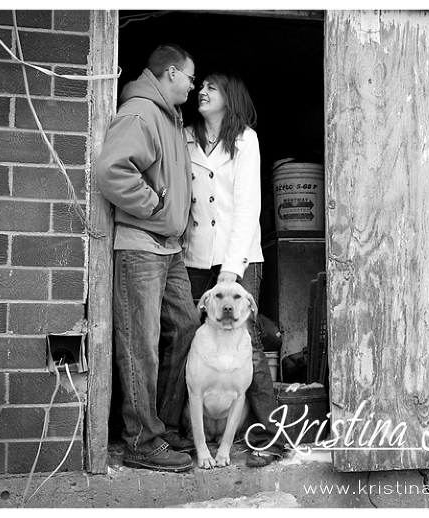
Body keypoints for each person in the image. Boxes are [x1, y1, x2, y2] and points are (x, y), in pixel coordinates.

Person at [95, 43, 201, 472]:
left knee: (186, 325)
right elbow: (111, 172)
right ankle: (141, 439)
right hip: (141, 242)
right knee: (141, 343)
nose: (194, 86)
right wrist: (156, 207)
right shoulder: (141, 112)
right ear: (172, 73)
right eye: (191, 77)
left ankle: (163, 425)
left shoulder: (169, 119)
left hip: (168, 247)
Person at [183, 70, 284, 467]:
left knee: (251, 349)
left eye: (211, 87)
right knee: (185, 340)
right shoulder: (184, 135)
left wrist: (231, 268)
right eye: (201, 86)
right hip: (193, 255)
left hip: (238, 255)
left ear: (231, 97)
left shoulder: (246, 140)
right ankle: (181, 433)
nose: (201, 92)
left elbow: (247, 209)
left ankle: (272, 438)